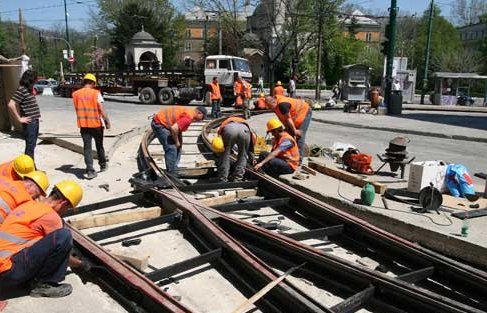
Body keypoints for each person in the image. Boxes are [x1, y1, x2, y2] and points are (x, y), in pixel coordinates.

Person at [0, 180, 83, 298]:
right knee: (64, 236)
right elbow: (63, 255)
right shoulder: (51, 216)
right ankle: (43, 285)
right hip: (8, 273)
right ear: (64, 203)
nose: (65, 212)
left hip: (3, 267)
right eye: (68, 208)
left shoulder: (28, 204)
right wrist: (81, 264)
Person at [72, 73, 111, 180]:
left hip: (83, 125)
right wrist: (107, 122)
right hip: (96, 124)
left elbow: (78, 109)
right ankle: (102, 165)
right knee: (99, 146)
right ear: (93, 83)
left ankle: (90, 170)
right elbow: (102, 110)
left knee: (87, 148)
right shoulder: (96, 93)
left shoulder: (76, 94)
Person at [151, 106, 207, 174]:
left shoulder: (189, 112)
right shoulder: (188, 117)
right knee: (171, 148)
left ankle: (174, 166)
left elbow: (178, 128)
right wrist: (177, 141)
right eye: (202, 117)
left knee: (178, 145)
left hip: (164, 123)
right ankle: (171, 172)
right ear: (199, 113)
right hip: (159, 124)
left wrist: (179, 141)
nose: (201, 120)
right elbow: (174, 128)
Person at [264, 95, 312, 164]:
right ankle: (290, 156)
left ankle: (298, 160)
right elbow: (283, 119)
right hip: (295, 116)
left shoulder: (282, 104)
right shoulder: (275, 108)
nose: (269, 108)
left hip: (304, 111)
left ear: (273, 102)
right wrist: (287, 129)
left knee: (299, 135)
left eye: (269, 106)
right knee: (289, 134)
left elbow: (288, 119)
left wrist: (295, 131)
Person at [7, 70, 41, 160]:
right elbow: (11, 104)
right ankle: (28, 169)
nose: (36, 80)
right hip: (30, 122)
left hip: (34, 121)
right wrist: (19, 119)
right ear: (30, 79)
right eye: (35, 78)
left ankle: (30, 166)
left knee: (32, 145)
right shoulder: (22, 89)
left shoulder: (28, 89)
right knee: (30, 146)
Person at [213, 116, 256, 182]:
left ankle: (223, 178)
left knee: (225, 155)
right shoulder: (245, 122)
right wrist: (252, 157)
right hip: (245, 130)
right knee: (243, 156)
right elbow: (251, 144)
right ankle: (238, 178)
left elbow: (219, 142)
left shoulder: (226, 122)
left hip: (229, 129)